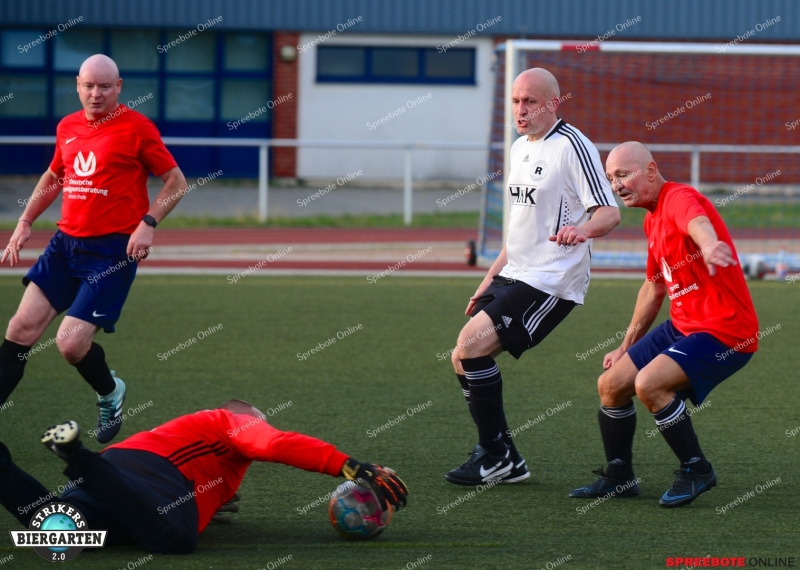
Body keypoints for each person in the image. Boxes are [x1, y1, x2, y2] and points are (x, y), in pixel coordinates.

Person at [0, 54, 189, 443]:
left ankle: (110, 392)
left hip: (112, 253)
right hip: (64, 246)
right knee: (20, 329)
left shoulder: (138, 128)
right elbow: (55, 175)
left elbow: (176, 181)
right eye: (89, 85)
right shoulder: (67, 126)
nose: (96, 93)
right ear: (78, 85)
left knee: (70, 344)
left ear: (119, 87)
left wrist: (148, 224)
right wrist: (24, 221)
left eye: (105, 86)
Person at [445, 68, 620, 485]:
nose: (520, 111)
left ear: (553, 103)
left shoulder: (574, 147)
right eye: (516, 101)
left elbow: (609, 213)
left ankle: (494, 456)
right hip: (516, 272)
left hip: (552, 279)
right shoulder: (520, 148)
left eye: (531, 102)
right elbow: (518, 230)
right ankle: (506, 456)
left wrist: (583, 229)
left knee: (471, 348)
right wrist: (489, 279)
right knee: (461, 356)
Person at [569, 142, 759, 507]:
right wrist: (625, 345)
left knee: (649, 385)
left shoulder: (678, 198)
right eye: (611, 178)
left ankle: (697, 469)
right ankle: (620, 476)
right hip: (684, 325)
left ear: (651, 171)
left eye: (624, 174)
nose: (616, 184)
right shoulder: (652, 218)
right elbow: (654, 287)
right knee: (611, 384)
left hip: (726, 332)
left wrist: (708, 244)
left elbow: (698, 221)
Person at [0, 399, 408, 553]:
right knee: (175, 539)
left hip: (121, 479)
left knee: (57, 534)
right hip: (148, 473)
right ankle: (78, 456)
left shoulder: (205, 451)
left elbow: (203, 479)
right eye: (260, 421)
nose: (262, 429)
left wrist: (207, 504)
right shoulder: (227, 421)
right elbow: (273, 444)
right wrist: (350, 465)